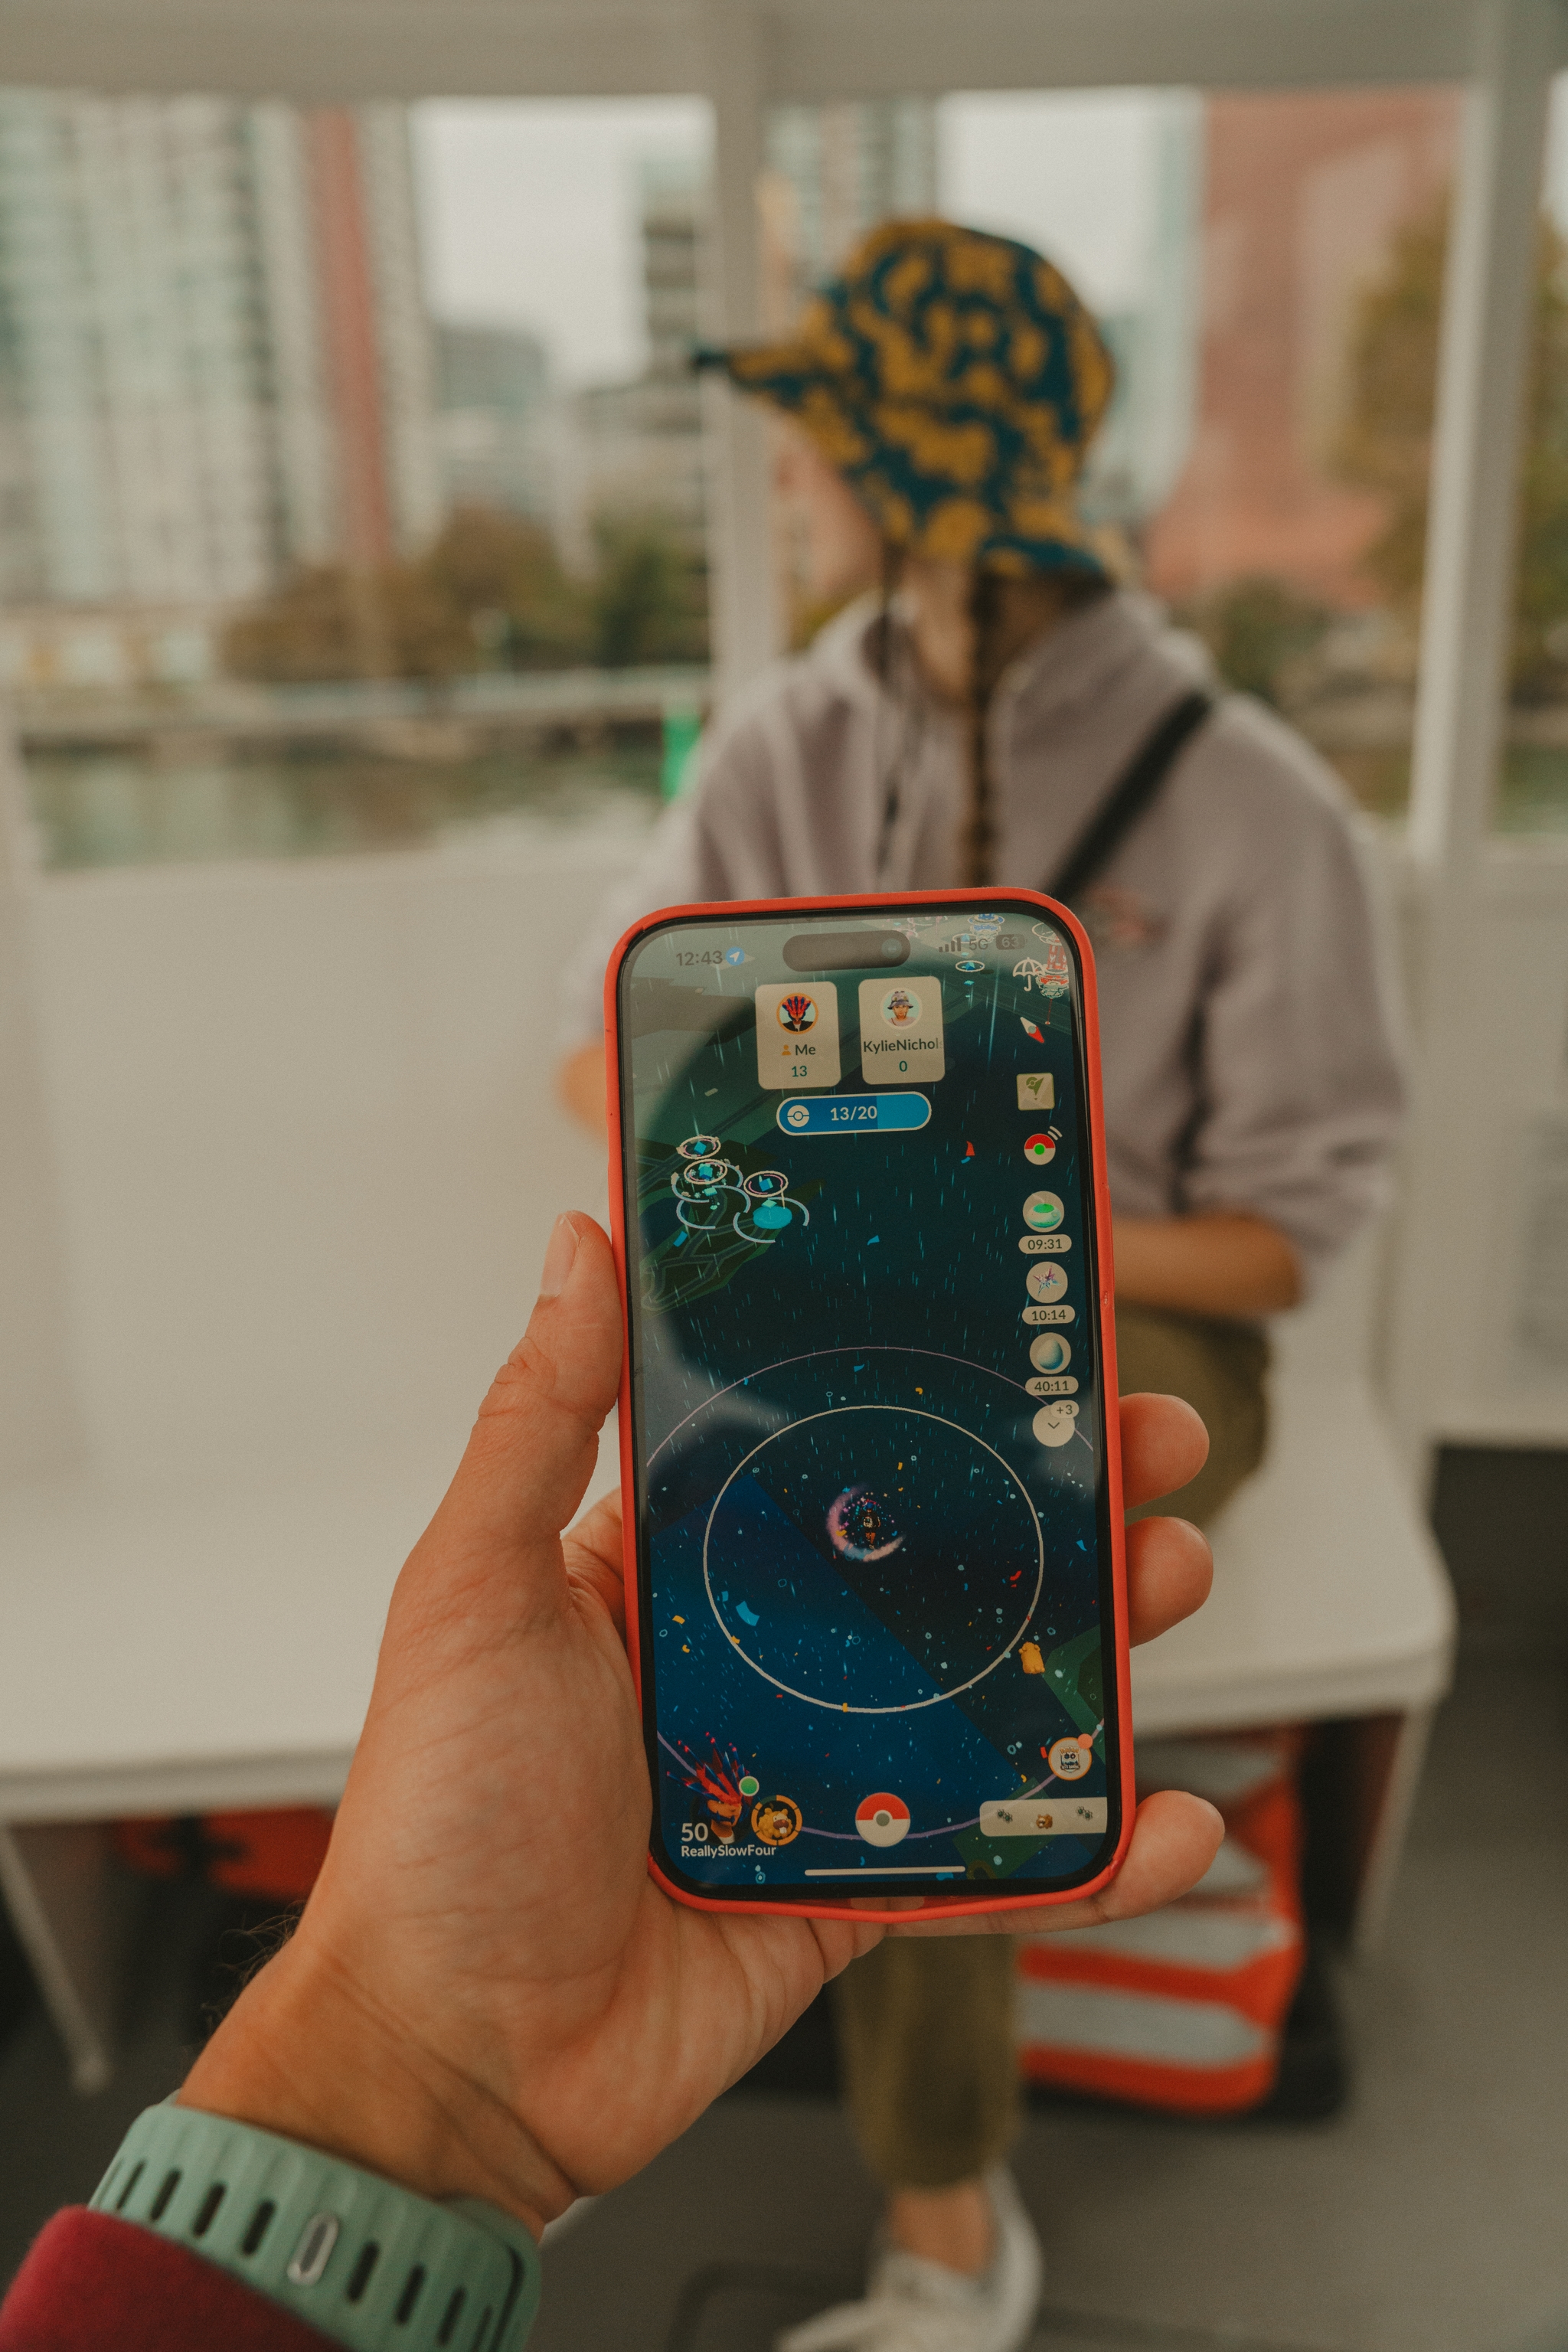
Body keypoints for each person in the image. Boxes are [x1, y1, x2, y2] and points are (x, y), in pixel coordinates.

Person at [556, 218, 1403, 2350]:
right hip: (833, 1299)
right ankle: (615, 2012)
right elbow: (607, 1051)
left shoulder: (1258, 803)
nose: (783, 487)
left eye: (806, 442)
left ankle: (945, 2219)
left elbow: (1281, 1239)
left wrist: (989, 1233)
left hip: (1138, 1310)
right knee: (745, 1503)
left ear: (898, 460)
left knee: (929, 1565)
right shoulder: (778, 741)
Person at [0, 1214, 1223, 2351]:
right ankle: (473, 2159)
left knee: (962, 1699)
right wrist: (427, 2083)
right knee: (899, 1710)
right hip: (820, 1333)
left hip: (1056, 1319)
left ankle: (929, 2184)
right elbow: (617, 1085)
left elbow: (1284, 1244)